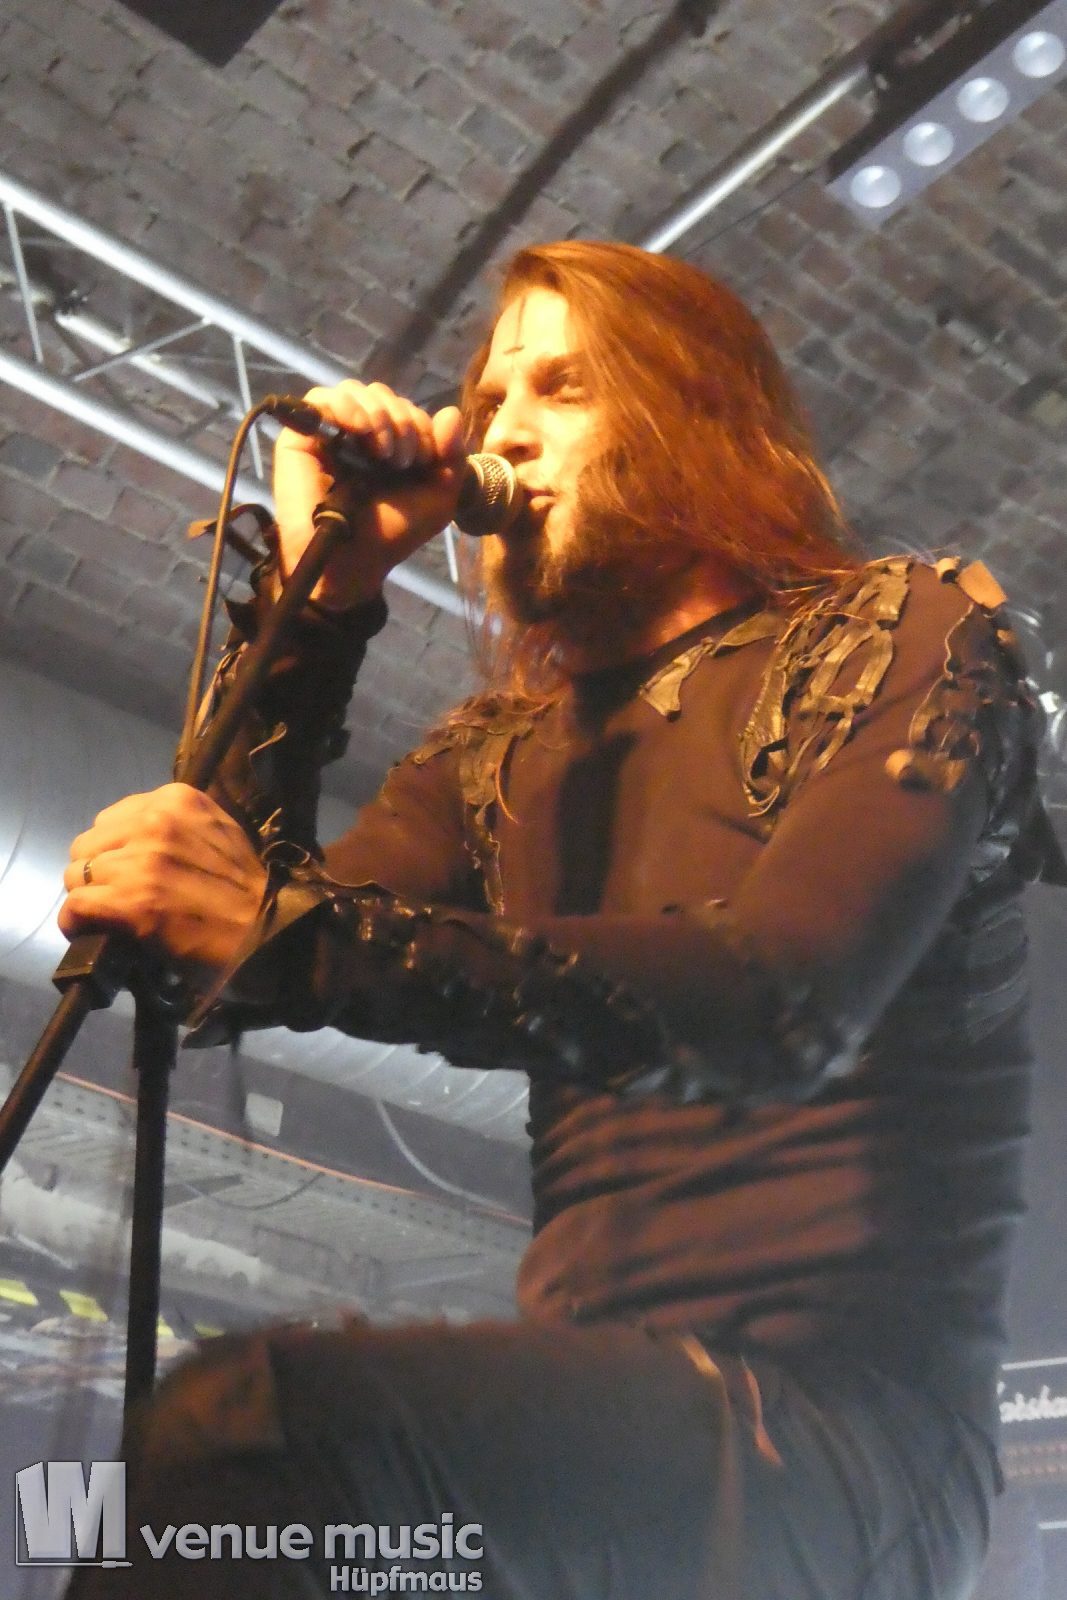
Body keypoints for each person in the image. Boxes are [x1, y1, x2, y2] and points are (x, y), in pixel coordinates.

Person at [59, 241, 1055, 1599]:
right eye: (491, 394)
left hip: (840, 1459)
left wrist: (278, 934)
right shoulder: (499, 759)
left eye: (562, 386)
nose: (503, 428)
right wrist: (322, 601)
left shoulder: (904, 634)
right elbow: (241, 948)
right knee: (208, 1515)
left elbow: (787, 1001)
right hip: (609, 1464)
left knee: (246, 1434)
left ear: (698, 414)